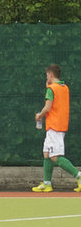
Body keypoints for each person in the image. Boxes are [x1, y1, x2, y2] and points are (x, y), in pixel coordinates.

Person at [32, 63, 80, 192]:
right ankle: (47, 183)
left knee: (55, 156)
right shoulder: (64, 87)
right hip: (59, 124)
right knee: (47, 153)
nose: (46, 77)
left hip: (55, 126)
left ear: (50, 75)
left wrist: (39, 116)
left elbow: (47, 107)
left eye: (47, 75)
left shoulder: (51, 89)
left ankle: (79, 176)